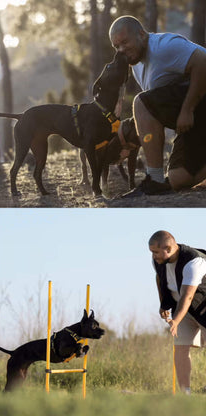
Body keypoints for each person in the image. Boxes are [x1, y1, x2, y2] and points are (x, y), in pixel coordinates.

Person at [109, 16, 206, 196]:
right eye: (116, 46)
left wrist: (187, 109)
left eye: (124, 42)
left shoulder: (164, 46)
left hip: (198, 106)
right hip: (197, 118)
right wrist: (128, 129)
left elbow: (203, 61)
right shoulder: (136, 64)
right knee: (179, 178)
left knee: (141, 101)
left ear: (141, 34)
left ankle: (154, 179)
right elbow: (158, 108)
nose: (121, 50)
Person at [149, 230, 206, 394]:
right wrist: (163, 304)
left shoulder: (194, 262)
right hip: (182, 308)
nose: (154, 256)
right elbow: (159, 278)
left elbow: (188, 297)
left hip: (202, 306)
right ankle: (184, 393)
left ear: (168, 248)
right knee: (180, 348)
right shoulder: (158, 261)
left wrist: (175, 321)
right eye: (152, 252)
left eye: (156, 252)